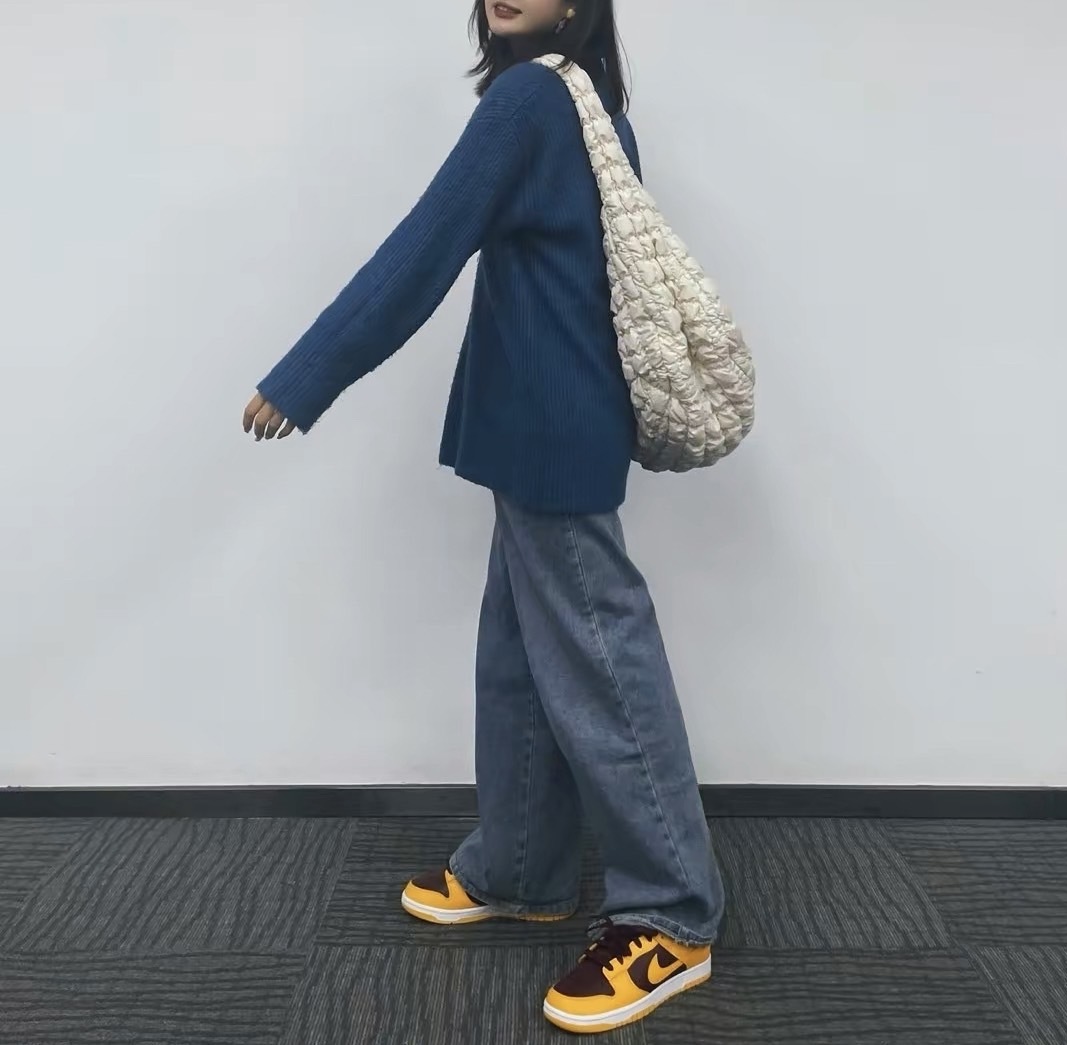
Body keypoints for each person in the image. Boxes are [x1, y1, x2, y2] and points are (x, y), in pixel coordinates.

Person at [242, 0, 724, 1033]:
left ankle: (672, 915)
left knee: (604, 667)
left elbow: (424, 248)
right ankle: (520, 867)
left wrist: (304, 376)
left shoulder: (528, 104)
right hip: (542, 423)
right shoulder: (587, 101)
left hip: (553, 425)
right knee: (519, 660)